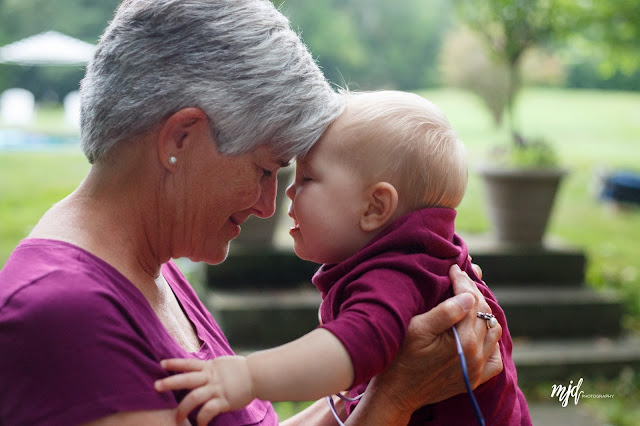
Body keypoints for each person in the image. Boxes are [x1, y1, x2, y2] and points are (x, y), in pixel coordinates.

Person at [0, 1, 502, 425]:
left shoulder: (153, 268)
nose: (269, 206)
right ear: (181, 138)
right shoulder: (66, 316)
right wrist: (394, 401)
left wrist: (383, 384)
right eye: (267, 170)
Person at [155, 91, 530, 425]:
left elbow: (350, 350)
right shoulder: (418, 254)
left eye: (307, 179)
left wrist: (248, 377)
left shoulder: (397, 271)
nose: (286, 194)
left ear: (375, 207)